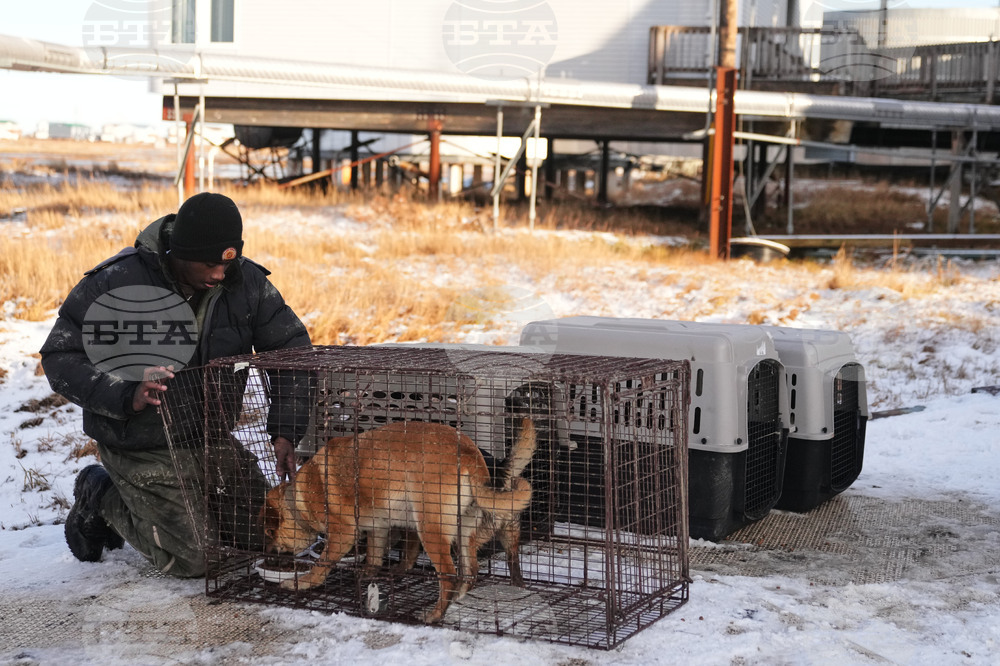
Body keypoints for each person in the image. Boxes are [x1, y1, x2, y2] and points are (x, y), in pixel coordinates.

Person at [40, 192, 311, 577]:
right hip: (140, 443)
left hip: (210, 439)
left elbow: (292, 351)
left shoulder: (246, 282)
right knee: (194, 559)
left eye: (226, 263)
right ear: (178, 253)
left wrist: (286, 430)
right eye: (208, 263)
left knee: (267, 535)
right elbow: (60, 356)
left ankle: (187, 507)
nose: (219, 274)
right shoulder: (117, 281)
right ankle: (99, 493)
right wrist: (125, 395)